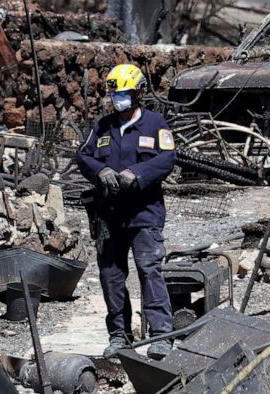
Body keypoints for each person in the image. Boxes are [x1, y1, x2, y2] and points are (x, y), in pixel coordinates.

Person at [76, 63, 176, 360]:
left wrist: (138, 173)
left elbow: (168, 158)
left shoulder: (156, 124)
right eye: (115, 94)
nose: (119, 99)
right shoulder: (102, 126)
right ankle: (119, 335)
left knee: (149, 270)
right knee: (111, 275)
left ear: (139, 93)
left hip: (144, 213)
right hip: (109, 214)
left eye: (125, 93)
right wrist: (101, 170)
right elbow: (83, 156)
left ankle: (161, 335)